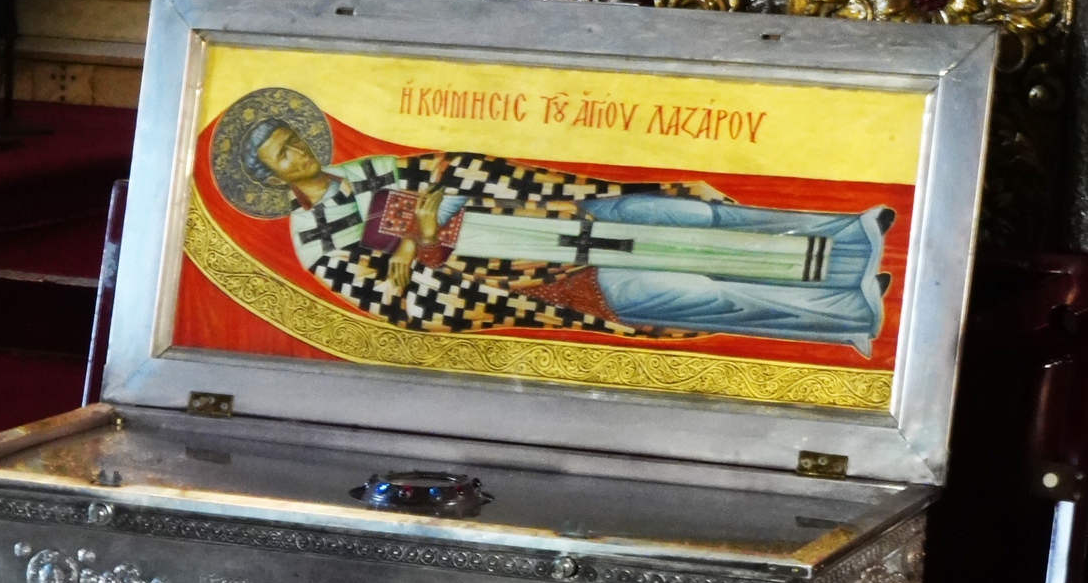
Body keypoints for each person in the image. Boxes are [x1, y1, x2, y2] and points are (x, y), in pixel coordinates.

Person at [233, 114, 894, 352]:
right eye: (280, 160)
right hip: (522, 277)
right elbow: (391, 295)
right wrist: (417, 237)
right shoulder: (313, 237)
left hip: (540, 214)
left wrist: (424, 214)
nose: (296, 158)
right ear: (271, 178)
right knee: (692, 290)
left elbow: (448, 169)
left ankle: (846, 240)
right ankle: (846, 309)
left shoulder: (367, 169)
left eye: (293, 143)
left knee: (691, 221)